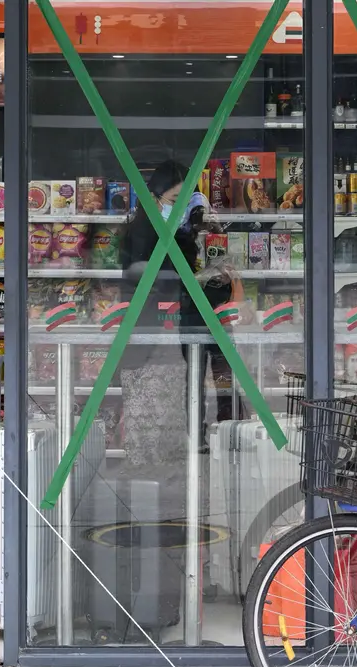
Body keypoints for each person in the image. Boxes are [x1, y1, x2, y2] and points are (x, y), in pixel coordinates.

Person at [119, 160, 230, 464]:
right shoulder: (141, 232)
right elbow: (151, 278)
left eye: (186, 199)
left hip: (185, 328)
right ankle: (169, 459)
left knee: (194, 385)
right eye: (174, 200)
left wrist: (216, 279)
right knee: (165, 405)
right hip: (156, 335)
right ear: (154, 198)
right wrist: (202, 278)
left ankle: (197, 442)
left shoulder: (183, 231)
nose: (181, 207)